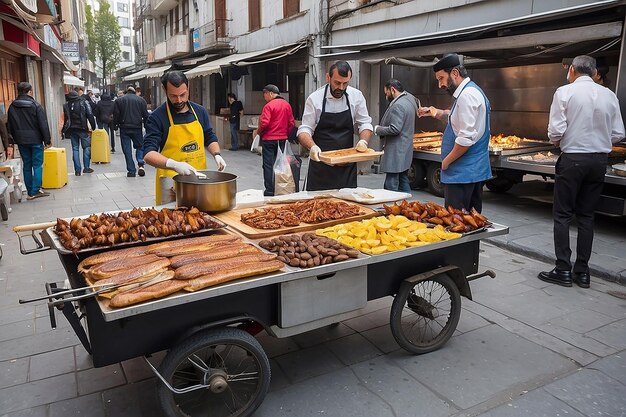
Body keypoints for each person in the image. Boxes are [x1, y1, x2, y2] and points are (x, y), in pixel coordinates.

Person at [538, 55, 625, 289]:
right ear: (595, 72)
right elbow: (618, 133)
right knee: (587, 216)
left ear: (573, 71)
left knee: (563, 215)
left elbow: (555, 131)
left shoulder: (564, 92)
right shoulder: (609, 95)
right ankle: (583, 272)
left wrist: (561, 139)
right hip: (599, 161)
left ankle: (563, 269)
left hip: (573, 159)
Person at [417, 53, 491, 212]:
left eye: (441, 79)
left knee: (457, 223)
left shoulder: (466, 96)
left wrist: (446, 162)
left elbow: (465, 139)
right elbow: (455, 117)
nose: (440, 85)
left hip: (461, 173)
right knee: (472, 220)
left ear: (455, 73)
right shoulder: (473, 91)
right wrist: (434, 112)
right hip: (472, 172)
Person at [144, 70, 226, 204]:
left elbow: (210, 137)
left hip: (198, 181)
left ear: (188, 88)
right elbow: (148, 154)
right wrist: (174, 164)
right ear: (165, 91)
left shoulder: (200, 111)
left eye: (183, 94)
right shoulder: (157, 117)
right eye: (173, 96)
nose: (179, 100)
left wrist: (217, 154)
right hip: (170, 184)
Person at [297, 60, 373, 191]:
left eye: (345, 83)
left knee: (348, 207)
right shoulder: (315, 99)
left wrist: (363, 142)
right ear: (328, 77)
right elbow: (305, 129)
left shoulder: (356, 96)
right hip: (321, 165)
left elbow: (365, 123)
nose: (341, 88)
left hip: (346, 165)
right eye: (337, 83)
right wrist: (312, 147)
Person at [6, 82, 52, 199]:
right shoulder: (35, 105)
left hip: (21, 140)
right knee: (37, 165)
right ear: (30, 91)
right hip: (36, 140)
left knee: (27, 165)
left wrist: (12, 140)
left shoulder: (12, 107)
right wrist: (47, 140)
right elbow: (43, 124)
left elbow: (9, 126)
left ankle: (30, 190)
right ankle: (35, 190)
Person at [374, 79, 417, 193]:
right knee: (403, 181)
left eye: (386, 92)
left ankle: (393, 209)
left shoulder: (398, 105)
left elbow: (395, 129)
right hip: (405, 150)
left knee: (391, 187)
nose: (386, 96)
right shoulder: (410, 99)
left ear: (392, 90)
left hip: (396, 152)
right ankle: (408, 207)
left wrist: (378, 129)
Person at [257, 84, 295, 196]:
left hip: (269, 139)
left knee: (268, 165)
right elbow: (291, 123)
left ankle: (269, 189)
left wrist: (258, 132)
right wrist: (285, 134)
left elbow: (264, 123)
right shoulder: (287, 105)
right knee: (281, 163)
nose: (264, 98)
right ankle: (281, 187)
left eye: (265, 95)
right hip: (282, 139)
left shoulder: (269, 106)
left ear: (270, 93)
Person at [113, 86, 149, 177]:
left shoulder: (119, 100)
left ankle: (131, 171)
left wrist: (115, 125)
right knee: (140, 146)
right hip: (137, 127)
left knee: (127, 150)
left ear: (126, 92)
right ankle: (140, 163)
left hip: (124, 127)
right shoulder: (141, 100)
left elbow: (116, 114)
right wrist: (147, 126)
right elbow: (146, 115)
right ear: (134, 92)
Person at [63, 90, 97, 176]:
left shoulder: (66, 105)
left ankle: (77, 170)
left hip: (72, 129)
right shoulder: (83, 102)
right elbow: (90, 114)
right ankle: (86, 168)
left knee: (75, 149)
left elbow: (66, 119)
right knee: (86, 147)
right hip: (82, 129)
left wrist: (64, 130)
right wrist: (93, 127)